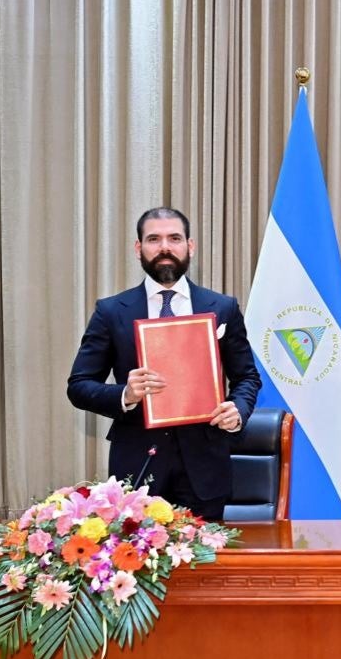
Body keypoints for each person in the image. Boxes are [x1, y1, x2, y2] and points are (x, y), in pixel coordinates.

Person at [68, 207, 261, 520]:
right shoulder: (111, 311)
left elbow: (248, 377)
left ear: (190, 246)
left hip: (206, 468)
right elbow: (78, 386)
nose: (165, 247)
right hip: (137, 468)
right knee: (137, 566)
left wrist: (238, 409)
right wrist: (125, 395)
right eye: (153, 239)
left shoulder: (223, 308)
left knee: (206, 565)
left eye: (174, 238)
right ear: (138, 248)